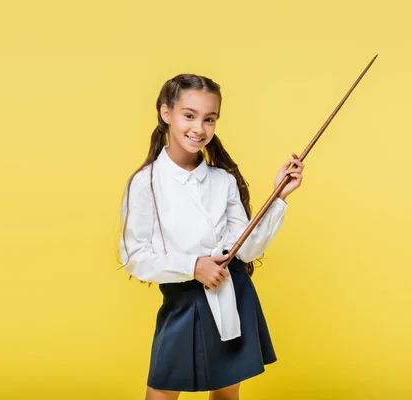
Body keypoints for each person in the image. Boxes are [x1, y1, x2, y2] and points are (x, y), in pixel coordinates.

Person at [118, 73, 305, 400]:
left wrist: (279, 197)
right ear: (166, 114)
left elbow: (244, 250)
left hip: (232, 294)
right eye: (188, 115)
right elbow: (135, 257)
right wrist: (193, 267)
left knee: (226, 395)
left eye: (209, 119)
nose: (199, 128)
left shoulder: (223, 180)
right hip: (185, 302)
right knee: (160, 393)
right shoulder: (145, 182)